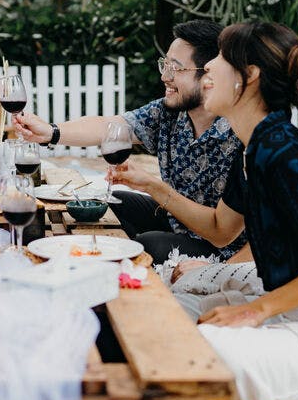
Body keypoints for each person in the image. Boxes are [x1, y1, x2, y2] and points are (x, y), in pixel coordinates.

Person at [111, 22, 298, 400]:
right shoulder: (253, 149)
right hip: (295, 305)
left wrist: (256, 311)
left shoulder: (288, 156)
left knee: (203, 351)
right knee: (176, 304)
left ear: (248, 77)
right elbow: (218, 228)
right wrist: (153, 187)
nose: (207, 68)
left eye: (220, 59)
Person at [14, 20, 245, 264]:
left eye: (175, 69)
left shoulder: (240, 132)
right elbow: (110, 126)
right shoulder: (169, 113)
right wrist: (51, 132)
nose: (164, 77)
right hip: (177, 219)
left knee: (147, 244)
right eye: (164, 65)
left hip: (224, 248)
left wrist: (151, 185)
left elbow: (234, 231)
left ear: (209, 74)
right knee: (108, 206)